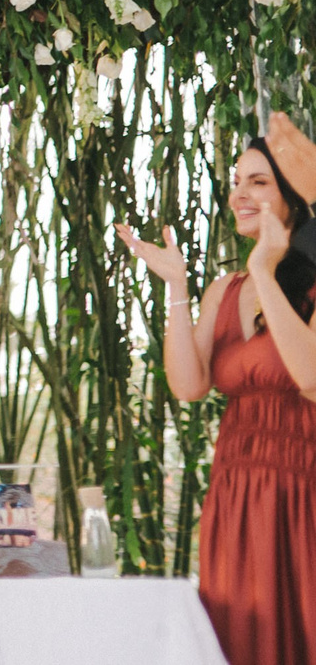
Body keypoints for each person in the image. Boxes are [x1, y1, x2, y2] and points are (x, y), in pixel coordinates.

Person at [119, 136, 316, 665]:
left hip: (304, 486)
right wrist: (178, 286)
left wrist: (267, 272)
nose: (239, 195)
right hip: (235, 489)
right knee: (237, 635)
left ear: (295, 196)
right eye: (235, 182)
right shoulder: (224, 290)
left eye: (259, 182)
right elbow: (188, 386)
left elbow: (310, 377)